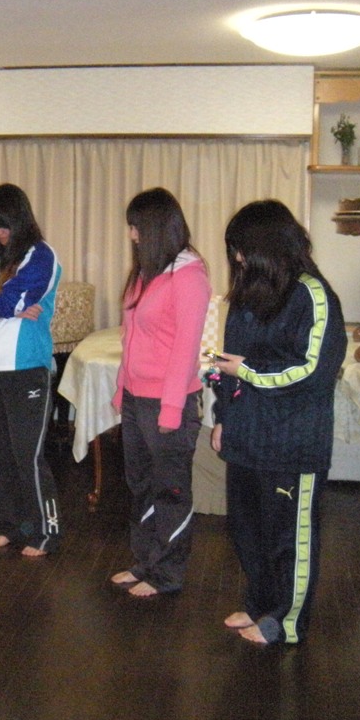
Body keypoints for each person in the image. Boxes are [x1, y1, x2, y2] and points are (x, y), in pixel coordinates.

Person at [209, 199, 347, 645]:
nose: (237, 258)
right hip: (247, 435)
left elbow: (312, 369)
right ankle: (259, 604)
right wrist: (222, 418)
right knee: (248, 532)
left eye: (241, 248)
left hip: (293, 442)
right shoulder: (250, 293)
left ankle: (286, 622)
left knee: (290, 538)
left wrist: (247, 370)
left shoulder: (312, 294)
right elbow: (228, 365)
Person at [111, 187, 211, 597]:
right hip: (137, 399)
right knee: (140, 486)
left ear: (154, 228)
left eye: (136, 227)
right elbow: (131, 336)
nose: (131, 235)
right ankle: (145, 562)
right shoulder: (146, 273)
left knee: (170, 490)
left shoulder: (189, 276)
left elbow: (186, 349)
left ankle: (167, 573)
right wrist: (122, 389)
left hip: (170, 403)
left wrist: (170, 409)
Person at [0, 183, 61, 557]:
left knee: (27, 454)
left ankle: (46, 532)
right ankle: (10, 525)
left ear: (20, 221)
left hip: (27, 368)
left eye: (3, 225)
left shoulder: (41, 256)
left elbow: (6, 304)